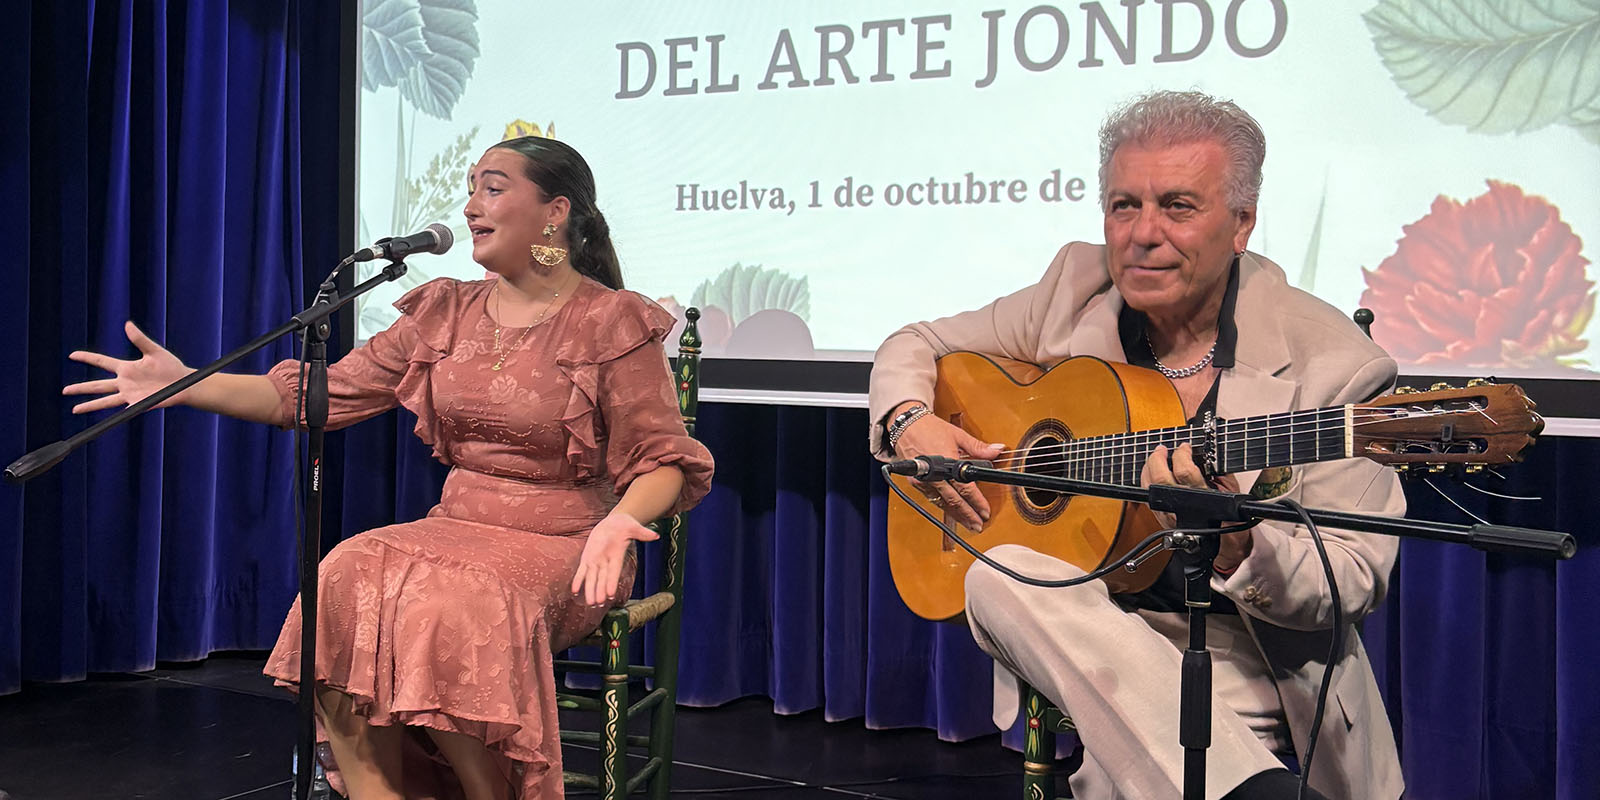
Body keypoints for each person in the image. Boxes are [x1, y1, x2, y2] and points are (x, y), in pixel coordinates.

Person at [63, 136, 714, 799]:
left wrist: (620, 521)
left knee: (458, 600)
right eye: (469, 190)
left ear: (554, 212)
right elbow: (313, 395)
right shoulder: (447, 311)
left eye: (492, 188)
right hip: (457, 527)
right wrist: (184, 383)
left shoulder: (609, 321)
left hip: (566, 545)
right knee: (345, 574)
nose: (469, 208)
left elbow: (666, 461)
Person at [867, 91, 1404, 800]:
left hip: (1247, 652)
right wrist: (910, 421)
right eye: (1124, 205)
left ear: (1242, 223)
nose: (1142, 234)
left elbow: (1353, 581)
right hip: (1093, 619)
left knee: (1131, 776)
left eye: (1178, 206)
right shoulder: (1072, 288)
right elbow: (915, 343)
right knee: (997, 573)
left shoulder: (1336, 365)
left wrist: (1239, 546)